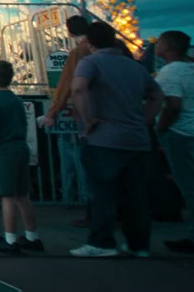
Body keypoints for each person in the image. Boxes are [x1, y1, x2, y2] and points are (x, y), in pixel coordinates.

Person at [70, 22, 164, 257]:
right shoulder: (134, 66)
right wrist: (145, 120)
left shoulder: (90, 63)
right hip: (137, 139)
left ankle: (102, 243)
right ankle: (139, 245)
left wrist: (87, 119)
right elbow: (157, 95)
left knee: (102, 193)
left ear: (89, 42)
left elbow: (78, 88)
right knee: (136, 196)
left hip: (103, 138)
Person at [0, 60, 42, 254]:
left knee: (7, 196)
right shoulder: (16, 100)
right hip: (20, 148)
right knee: (22, 195)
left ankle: (10, 239)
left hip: (4, 151)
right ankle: (32, 236)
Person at [38, 14, 90, 209]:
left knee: (76, 159)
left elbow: (67, 85)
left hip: (83, 116)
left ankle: (80, 202)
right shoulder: (111, 51)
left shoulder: (78, 53)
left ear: (69, 32)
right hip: (108, 117)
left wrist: (52, 113)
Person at [154, 30, 194, 253]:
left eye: (159, 42)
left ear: (168, 47)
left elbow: (173, 104)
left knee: (188, 185)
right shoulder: (190, 68)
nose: (156, 46)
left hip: (180, 134)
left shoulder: (170, 72)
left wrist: (161, 127)